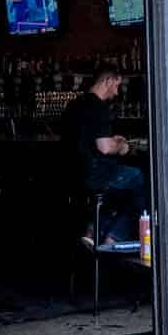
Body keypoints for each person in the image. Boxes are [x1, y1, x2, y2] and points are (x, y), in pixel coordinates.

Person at [67, 67, 141, 246]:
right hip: (95, 174)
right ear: (107, 81)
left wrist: (111, 141)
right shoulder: (99, 107)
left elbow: (88, 139)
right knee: (142, 183)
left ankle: (92, 231)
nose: (116, 93)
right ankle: (113, 238)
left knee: (116, 191)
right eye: (116, 85)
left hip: (75, 173)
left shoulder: (74, 105)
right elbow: (105, 148)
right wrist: (122, 146)